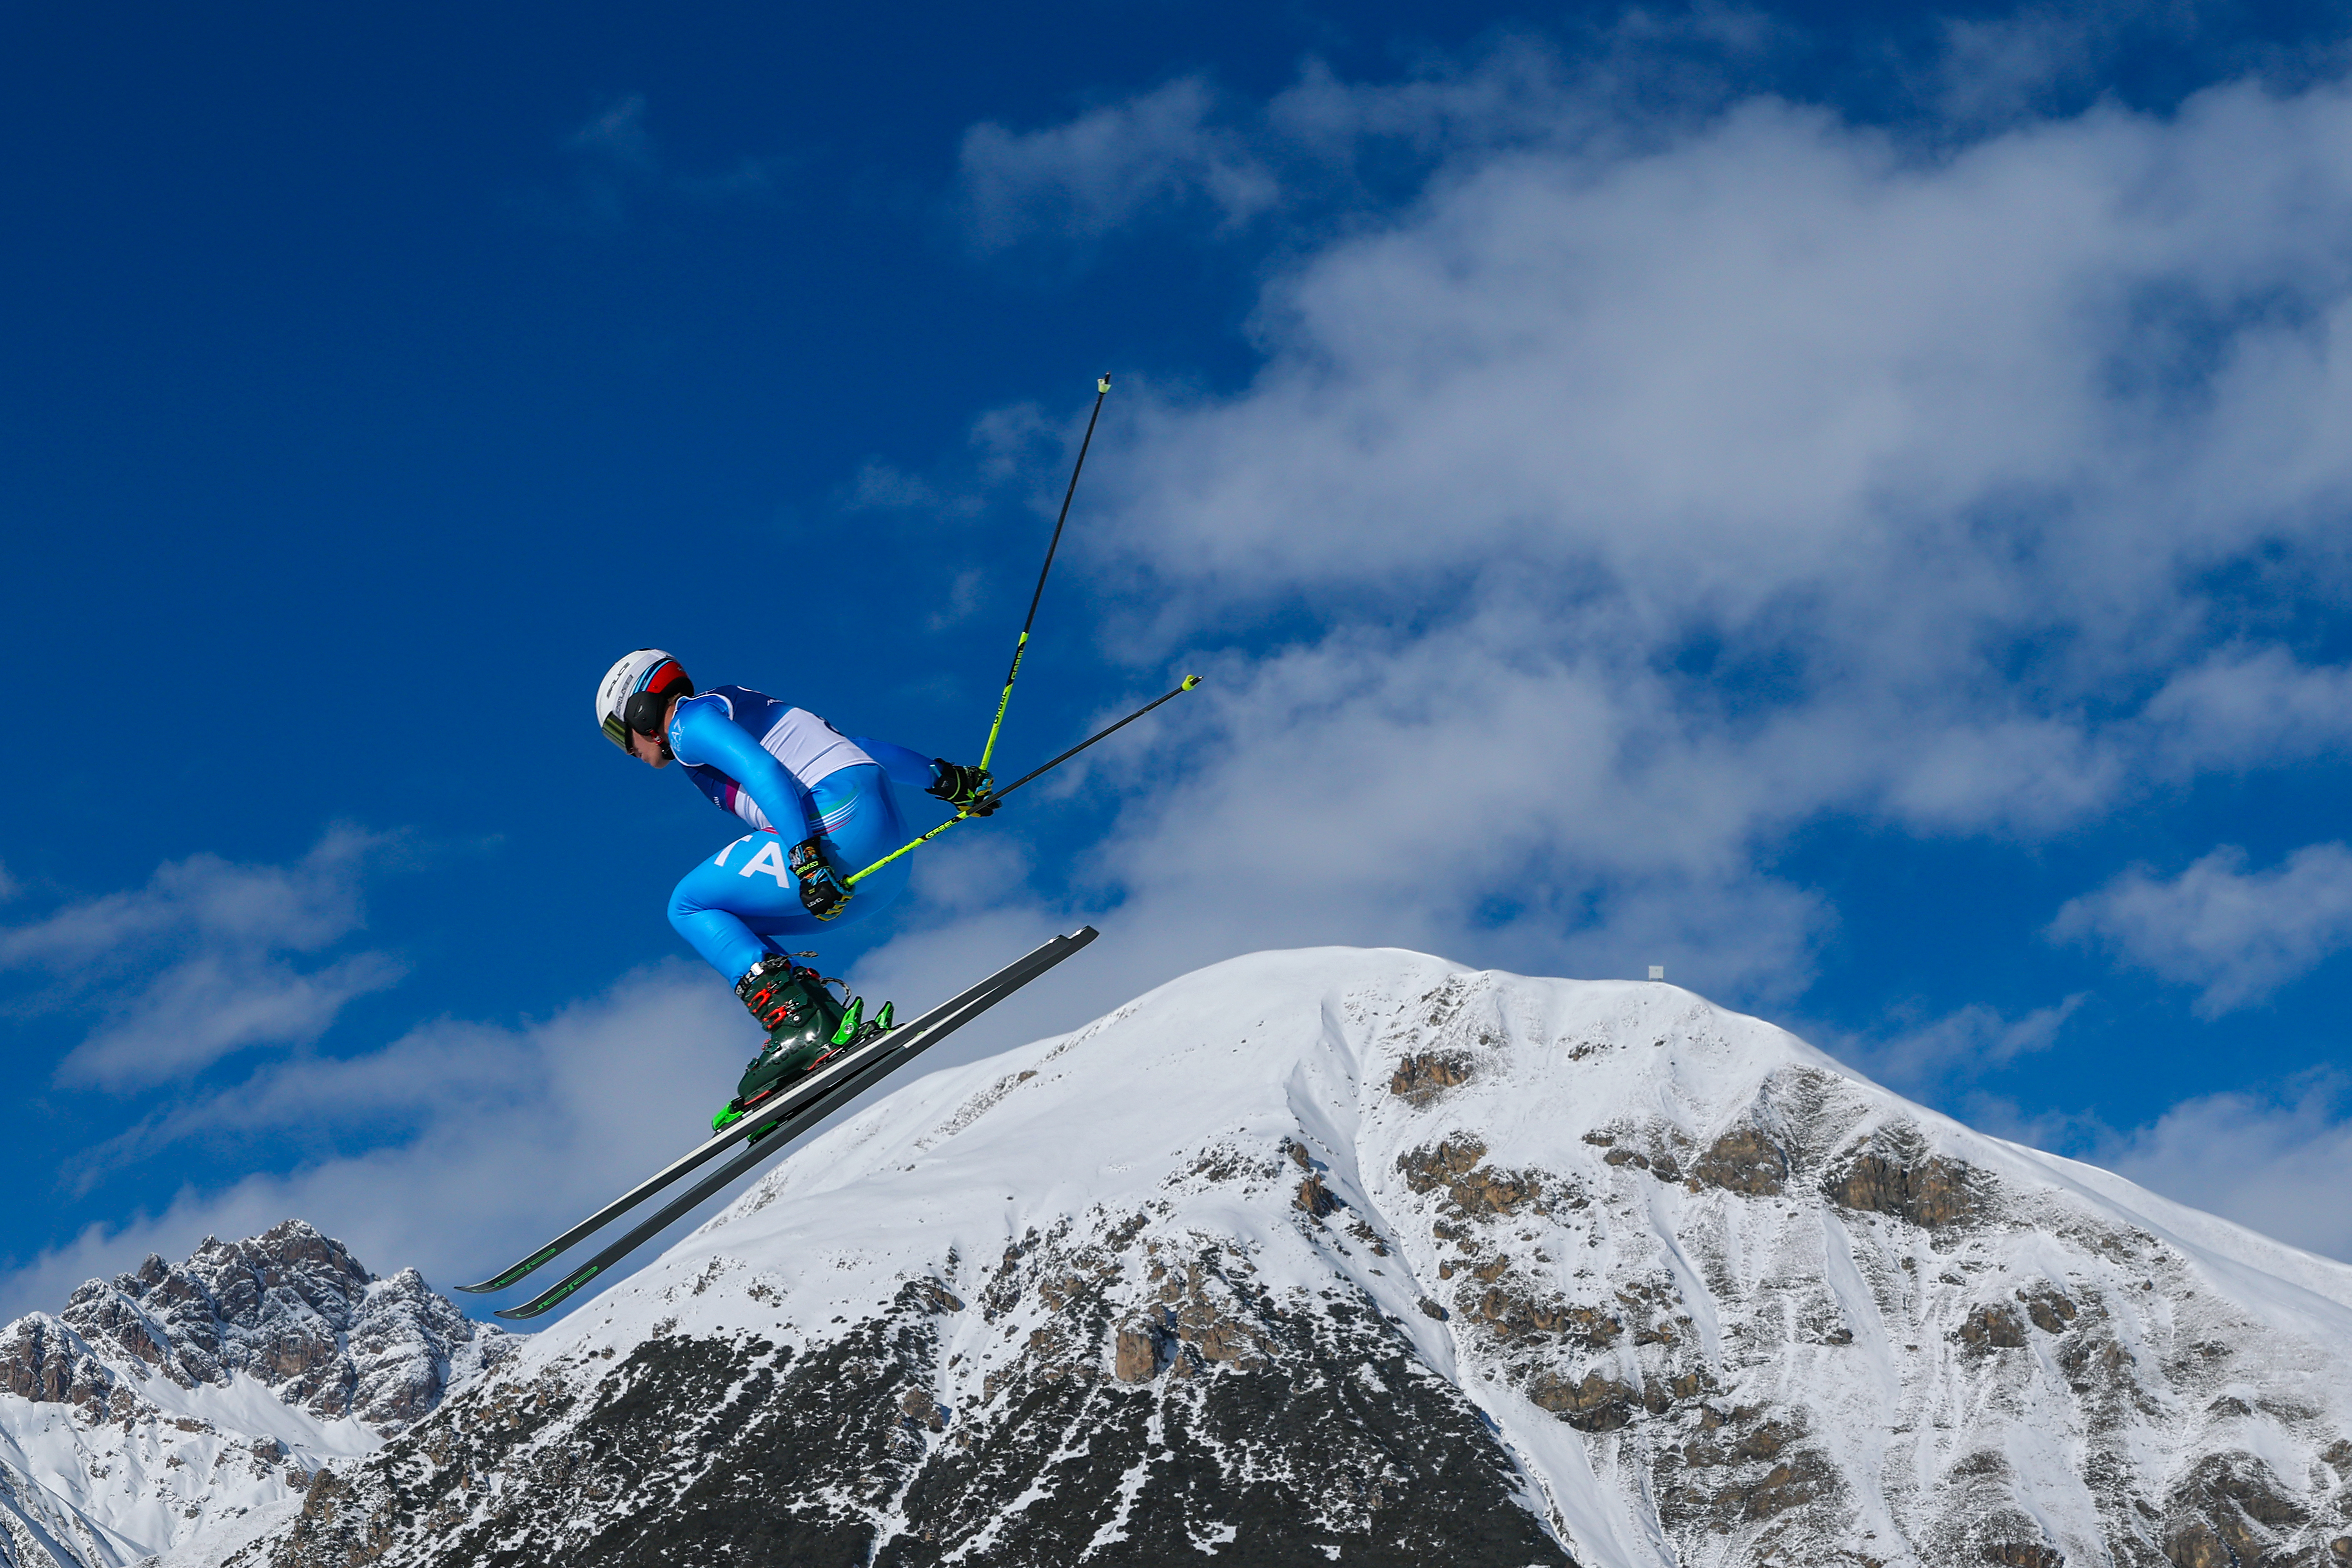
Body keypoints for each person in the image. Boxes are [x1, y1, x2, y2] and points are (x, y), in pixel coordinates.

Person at [595, 649, 998, 1126]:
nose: (630, 751)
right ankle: (816, 1022)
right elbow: (862, 747)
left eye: (622, 735)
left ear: (642, 709)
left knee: (688, 905)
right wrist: (947, 779)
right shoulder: (743, 705)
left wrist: (805, 859)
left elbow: (762, 772)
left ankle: (802, 1026)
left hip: (834, 833)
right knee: (735, 923)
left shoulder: (688, 723)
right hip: (887, 862)